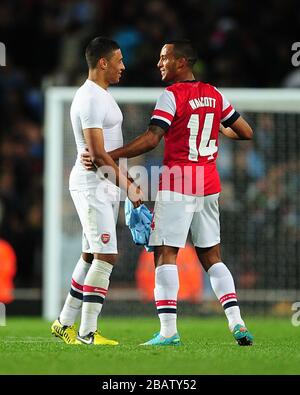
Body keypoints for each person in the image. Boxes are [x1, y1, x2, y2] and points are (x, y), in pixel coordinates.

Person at [82, 39, 254, 346]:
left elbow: (152, 139)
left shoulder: (171, 95)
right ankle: (237, 322)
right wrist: (214, 127)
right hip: (210, 184)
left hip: (179, 183)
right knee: (212, 257)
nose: (160, 63)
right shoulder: (214, 94)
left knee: (165, 254)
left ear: (183, 62)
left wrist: (111, 154)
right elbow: (245, 132)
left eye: (165, 58)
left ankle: (168, 331)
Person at [51, 36, 142, 345]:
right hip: (93, 184)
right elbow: (98, 155)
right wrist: (129, 186)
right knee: (107, 255)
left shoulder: (101, 95)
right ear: (103, 62)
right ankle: (88, 332)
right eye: (119, 60)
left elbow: (104, 153)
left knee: (91, 255)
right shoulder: (90, 98)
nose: (123, 66)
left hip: (103, 183)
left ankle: (64, 322)